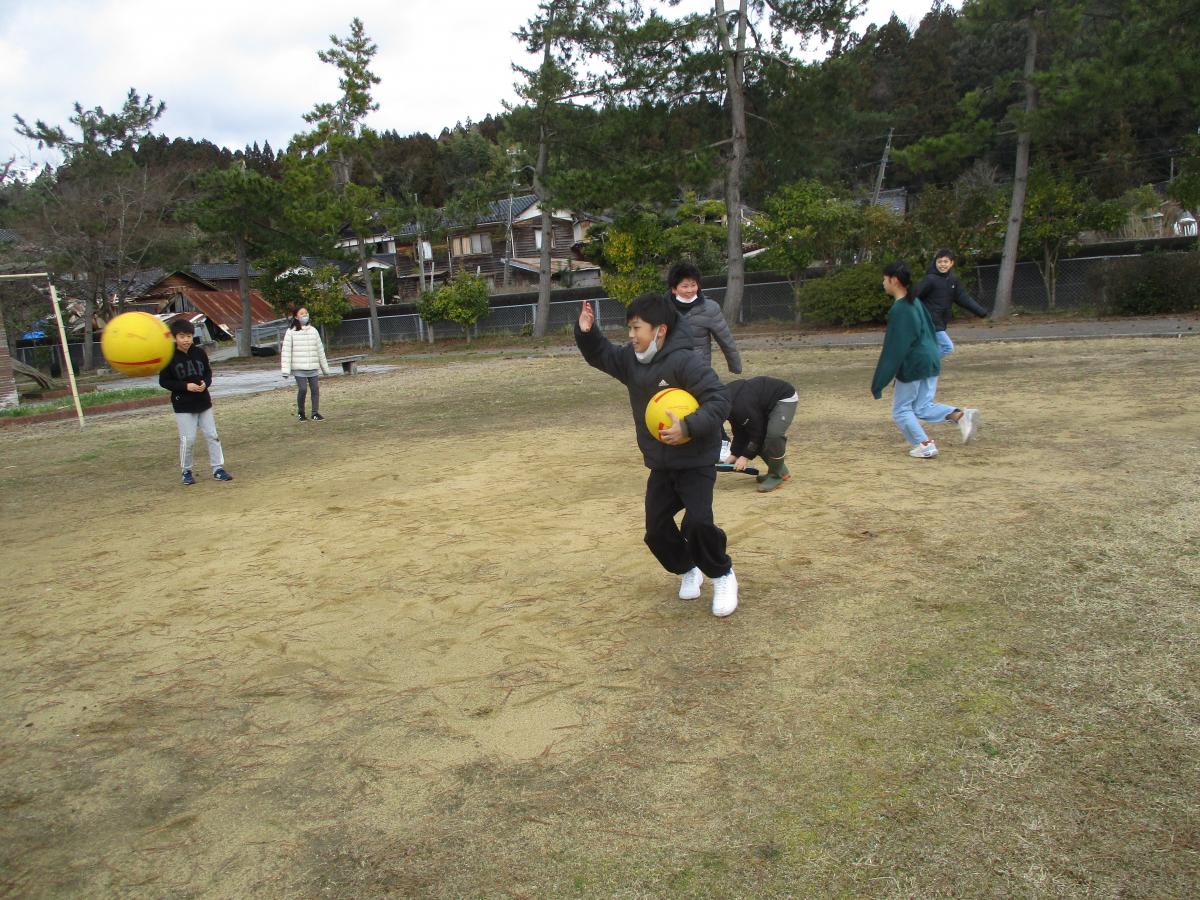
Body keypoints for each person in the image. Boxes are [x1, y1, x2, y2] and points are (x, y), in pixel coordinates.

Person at [575, 292, 739, 617]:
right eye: (630, 328)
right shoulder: (631, 361)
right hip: (661, 464)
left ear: (660, 330)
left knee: (698, 524)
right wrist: (587, 332)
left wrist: (688, 427)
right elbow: (602, 354)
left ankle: (722, 575)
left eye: (637, 328)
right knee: (656, 530)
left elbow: (720, 399)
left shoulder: (686, 361)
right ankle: (687, 568)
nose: (631, 335)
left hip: (695, 461)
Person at [871, 261, 981, 459]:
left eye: (884, 279)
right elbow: (930, 329)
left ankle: (924, 445)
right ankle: (960, 416)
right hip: (930, 358)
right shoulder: (915, 303)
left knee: (901, 410)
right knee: (922, 406)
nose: (883, 283)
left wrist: (879, 382)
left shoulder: (900, 309)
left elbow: (895, 348)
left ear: (894, 280)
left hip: (915, 363)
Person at [158, 320, 233, 485]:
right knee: (188, 440)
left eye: (189, 336)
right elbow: (164, 381)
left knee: (212, 435)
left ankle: (218, 468)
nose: (186, 340)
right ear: (175, 337)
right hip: (183, 405)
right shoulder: (168, 357)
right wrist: (185, 386)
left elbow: (207, 373)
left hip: (203, 402)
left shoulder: (199, 353)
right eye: (182, 336)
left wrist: (206, 383)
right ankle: (186, 471)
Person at [722, 376, 799, 493]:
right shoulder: (726, 405)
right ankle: (781, 471)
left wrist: (745, 457)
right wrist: (735, 454)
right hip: (762, 405)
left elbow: (757, 433)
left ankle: (775, 476)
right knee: (755, 436)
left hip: (784, 397)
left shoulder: (741, 407)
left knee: (773, 435)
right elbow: (739, 431)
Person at [667, 262, 742, 375]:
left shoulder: (710, 308)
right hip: (670, 366)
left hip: (699, 367)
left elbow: (725, 339)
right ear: (674, 289)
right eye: (685, 286)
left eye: (693, 285)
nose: (690, 290)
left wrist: (735, 366)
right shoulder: (662, 307)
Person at [913, 249, 989, 357]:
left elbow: (963, 298)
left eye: (945, 261)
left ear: (951, 263)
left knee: (931, 348)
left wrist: (980, 311)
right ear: (935, 263)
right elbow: (914, 296)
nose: (942, 264)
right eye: (939, 262)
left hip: (941, 321)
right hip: (930, 321)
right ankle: (925, 364)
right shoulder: (930, 279)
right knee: (947, 347)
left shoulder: (953, 280)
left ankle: (924, 364)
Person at [281, 307, 331, 421]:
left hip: (313, 367)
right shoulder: (291, 332)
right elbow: (286, 352)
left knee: (315, 390)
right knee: (303, 389)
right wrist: (285, 371)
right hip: (299, 368)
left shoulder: (313, 331)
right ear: (296, 316)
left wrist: (325, 369)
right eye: (302, 313)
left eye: (306, 313)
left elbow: (320, 351)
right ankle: (301, 413)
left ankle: (315, 413)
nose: (305, 315)